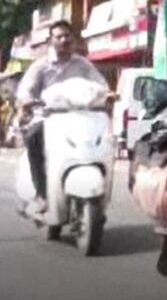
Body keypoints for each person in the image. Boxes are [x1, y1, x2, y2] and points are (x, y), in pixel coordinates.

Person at [15, 21, 107, 215]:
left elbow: (101, 84)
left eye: (67, 36)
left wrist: (108, 94)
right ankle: (41, 194)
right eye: (59, 37)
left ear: (73, 39)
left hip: (80, 118)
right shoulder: (41, 66)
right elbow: (25, 90)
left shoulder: (83, 64)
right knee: (33, 137)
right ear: (51, 41)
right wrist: (27, 101)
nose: (64, 40)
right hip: (48, 119)